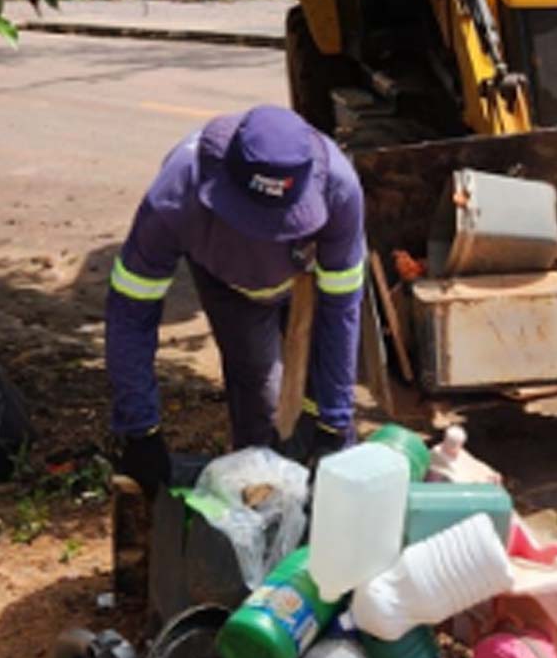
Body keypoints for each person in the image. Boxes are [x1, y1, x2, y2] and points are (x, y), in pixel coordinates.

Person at [105, 105, 364, 497]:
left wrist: (334, 422)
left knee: (327, 430)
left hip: (309, 286)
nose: (266, 236)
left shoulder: (339, 190)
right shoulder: (177, 196)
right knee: (262, 406)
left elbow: (341, 311)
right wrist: (140, 429)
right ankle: (255, 507)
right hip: (232, 289)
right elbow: (131, 310)